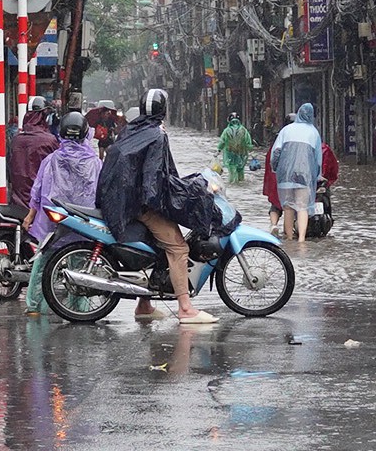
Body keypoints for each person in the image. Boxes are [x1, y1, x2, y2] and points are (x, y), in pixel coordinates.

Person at [96, 88, 217, 324]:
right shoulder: (157, 135)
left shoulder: (131, 129)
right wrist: (170, 202)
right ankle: (185, 308)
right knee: (179, 248)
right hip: (141, 205)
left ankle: (144, 304)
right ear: (163, 110)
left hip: (122, 201)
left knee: (157, 247)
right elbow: (154, 178)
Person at [24, 111, 102, 316]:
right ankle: (80, 307)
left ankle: (34, 306)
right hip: (83, 223)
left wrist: (30, 216)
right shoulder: (94, 162)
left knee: (43, 260)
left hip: (54, 221)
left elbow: (38, 191)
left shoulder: (51, 160)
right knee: (81, 263)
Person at [270, 103, 322, 242]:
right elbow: (318, 160)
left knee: (288, 207)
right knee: (302, 207)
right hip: (304, 175)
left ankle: (289, 237)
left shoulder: (286, 130)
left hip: (285, 174)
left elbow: (276, 152)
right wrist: (315, 176)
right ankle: (302, 239)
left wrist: (276, 169)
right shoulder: (314, 132)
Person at [7, 102, 59, 210]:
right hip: (42, 204)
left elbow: (10, 170)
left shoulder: (16, 140)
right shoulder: (50, 140)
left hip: (18, 203)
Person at [217, 113, 252, 184]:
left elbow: (222, 142)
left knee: (232, 170)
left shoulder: (226, 131)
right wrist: (249, 149)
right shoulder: (244, 130)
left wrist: (219, 150)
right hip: (242, 154)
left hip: (230, 154)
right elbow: (248, 142)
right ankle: (241, 182)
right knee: (240, 170)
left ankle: (233, 185)